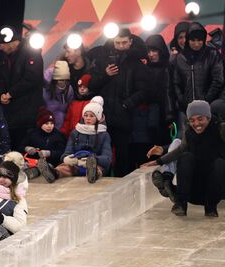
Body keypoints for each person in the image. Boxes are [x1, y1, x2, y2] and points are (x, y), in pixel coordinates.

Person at [142, 98, 225, 217]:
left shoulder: (222, 128)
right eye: (192, 120)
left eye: (200, 119)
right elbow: (179, 150)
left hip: (214, 190)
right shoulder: (189, 133)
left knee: (220, 164)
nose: (196, 124)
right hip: (193, 190)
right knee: (186, 156)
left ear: (208, 117)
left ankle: (210, 207)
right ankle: (181, 203)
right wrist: (158, 161)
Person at [88, 28, 149, 177]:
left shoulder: (136, 62)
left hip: (124, 116)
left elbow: (144, 90)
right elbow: (92, 85)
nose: (120, 46)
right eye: (117, 43)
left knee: (123, 156)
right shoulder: (102, 58)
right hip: (104, 116)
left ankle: (123, 189)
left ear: (130, 41)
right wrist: (105, 75)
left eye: (124, 43)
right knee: (102, 152)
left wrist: (127, 104)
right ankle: (99, 179)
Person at [0, 26, 44, 150]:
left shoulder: (32, 52)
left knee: (22, 143)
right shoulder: (4, 56)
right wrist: (2, 93)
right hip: (9, 110)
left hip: (27, 109)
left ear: (11, 42)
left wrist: (11, 93)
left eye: (2, 44)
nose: (0, 48)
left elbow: (31, 79)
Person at [37, 97, 112, 183]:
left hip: (94, 162)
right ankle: (54, 173)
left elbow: (107, 158)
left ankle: (94, 174)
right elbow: (67, 151)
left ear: (98, 118)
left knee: (98, 168)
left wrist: (93, 159)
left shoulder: (104, 135)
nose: (88, 118)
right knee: (65, 167)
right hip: (76, 162)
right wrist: (66, 158)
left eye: (91, 116)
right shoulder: (76, 132)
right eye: (86, 115)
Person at [172, 22, 224, 115]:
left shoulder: (212, 54)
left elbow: (218, 80)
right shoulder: (180, 58)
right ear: (188, 40)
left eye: (199, 40)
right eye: (193, 40)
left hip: (209, 107)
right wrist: (182, 100)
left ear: (204, 39)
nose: (196, 44)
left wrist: (206, 100)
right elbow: (176, 83)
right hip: (186, 108)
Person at [21, 108, 67, 180]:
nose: (49, 126)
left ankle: (36, 172)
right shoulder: (32, 134)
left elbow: (62, 152)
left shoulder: (58, 136)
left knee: (43, 167)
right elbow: (20, 146)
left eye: (52, 123)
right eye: (46, 123)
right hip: (32, 161)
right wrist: (27, 148)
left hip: (50, 162)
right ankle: (22, 172)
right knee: (23, 165)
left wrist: (49, 153)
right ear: (40, 124)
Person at [42, 60, 73, 129]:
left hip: (62, 124)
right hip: (47, 124)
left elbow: (70, 106)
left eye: (66, 80)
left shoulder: (69, 89)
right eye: (61, 79)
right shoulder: (46, 90)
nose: (63, 82)